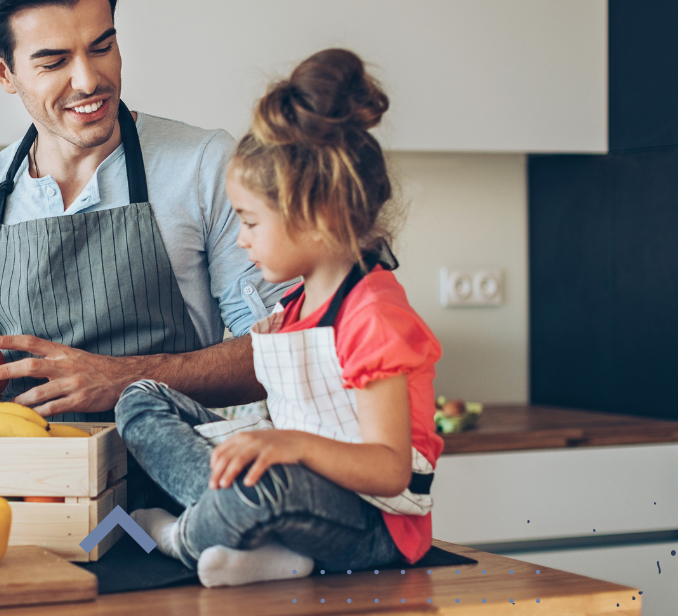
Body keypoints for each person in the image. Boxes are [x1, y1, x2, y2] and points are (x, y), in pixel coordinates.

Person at [0, 0, 291, 511]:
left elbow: (284, 352)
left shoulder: (203, 165)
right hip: (22, 512)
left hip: (171, 505)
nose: (89, 80)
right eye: (53, 61)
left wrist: (122, 378)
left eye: (102, 46)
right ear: (3, 70)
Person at [114, 48, 444, 588]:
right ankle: (245, 530)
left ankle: (181, 538)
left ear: (314, 216)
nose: (241, 240)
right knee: (139, 397)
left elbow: (389, 469)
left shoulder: (374, 315)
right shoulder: (296, 305)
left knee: (267, 488)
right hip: (296, 485)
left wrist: (285, 446)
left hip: (372, 522)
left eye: (250, 221)